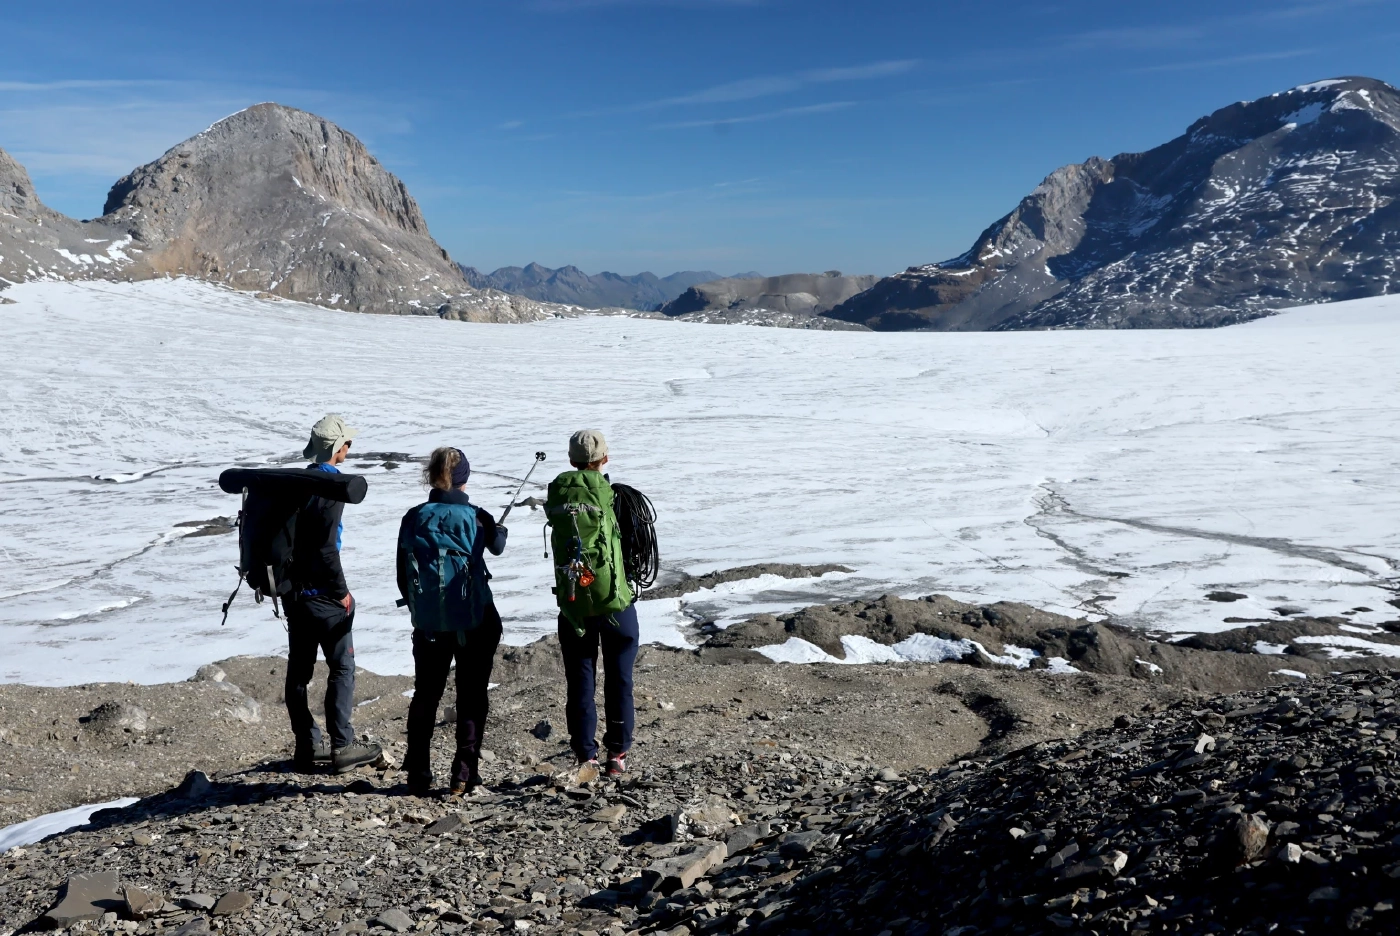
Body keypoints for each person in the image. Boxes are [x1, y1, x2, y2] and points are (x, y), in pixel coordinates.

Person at [397, 447, 508, 796]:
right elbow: (498, 546)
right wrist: (499, 529)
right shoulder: (476, 517)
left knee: (426, 695)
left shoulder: (414, 516)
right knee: (472, 695)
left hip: (429, 623)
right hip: (475, 619)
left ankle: (417, 772)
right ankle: (463, 774)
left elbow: (403, 574)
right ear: (465, 479)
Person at [286, 414, 383, 774]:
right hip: (325, 595)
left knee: (299, 672)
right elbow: (327, 548)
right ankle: (342, 745)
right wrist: (342, 592)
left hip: (294, 594)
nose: (350, 447)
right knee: (341, 667)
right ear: (337, 447)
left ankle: (307, 745)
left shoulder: (294, 482)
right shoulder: (331, 487)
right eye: (348, 443)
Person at [546, 429, 639, 777]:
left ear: (571, 461)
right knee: (620, 678)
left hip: (573, 604)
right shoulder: (614, 497)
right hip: (616, 604)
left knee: (580, 680)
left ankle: (586, 756)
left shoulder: (559, 497)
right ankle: (617, 755)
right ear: (605, 459)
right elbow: (633, 549)